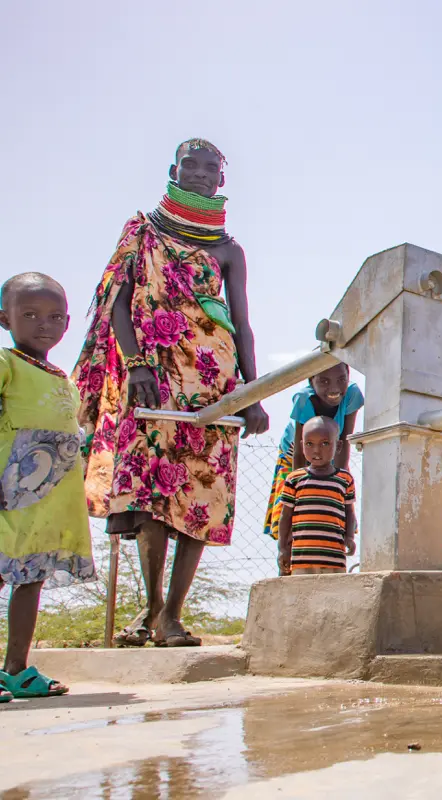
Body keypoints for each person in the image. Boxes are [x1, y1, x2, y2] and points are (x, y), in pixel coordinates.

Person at [75, 139, 270, 648]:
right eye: (192, 165)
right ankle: (154, 606)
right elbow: (116, 303)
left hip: (213, 384)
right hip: (153, 377)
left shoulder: (229, 250)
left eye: (212, 169)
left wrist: (252, 392)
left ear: (222, 181)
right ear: (173, 170)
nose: (202, 175)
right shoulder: (143, 233)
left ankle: (171, 615)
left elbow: (243, 326)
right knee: (151, 495)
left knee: (199, 494)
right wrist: (136, 362)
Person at [0, 273, 93, 700]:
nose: (44, 324)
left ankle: (16, 670)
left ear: (68, 323)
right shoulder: (6, 364)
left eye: (55, 316)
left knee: (31, 578)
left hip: (50, 502)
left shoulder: (61, 377)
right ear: (5, 318)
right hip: (10, 496)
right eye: (31, 314)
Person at [262, 363, 363, 540]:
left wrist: (343, 493)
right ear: (311, 380)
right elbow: (300, 454)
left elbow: (343, 444)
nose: (334, 388)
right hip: (294, 454)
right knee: (290, 516)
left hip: (330, 453)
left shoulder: (352, 394)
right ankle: (287, 554)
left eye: (341, 380)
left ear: (348, 377)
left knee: (330, 511)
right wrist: (297, 498)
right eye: (324, 381)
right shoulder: (303, 399)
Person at [275, 417, 356, 576]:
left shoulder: (345, 480)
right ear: (301, 446)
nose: (316, 450)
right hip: (302, 558)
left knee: (333, 597)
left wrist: (350, 536)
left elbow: (349, 512)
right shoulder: (294, 479)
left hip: (334, 557)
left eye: (325, 443)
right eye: (309, 444)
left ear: (338, 446)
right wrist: (283, 548)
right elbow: (285, 517)